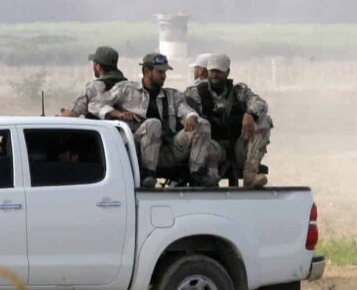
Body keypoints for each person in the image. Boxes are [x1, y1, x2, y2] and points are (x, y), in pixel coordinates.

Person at [129, 53, 221, 188]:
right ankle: (148, 175)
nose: (164, 76)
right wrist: (116, 113)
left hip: (169, 148)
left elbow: (185, 109)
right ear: (147, 71)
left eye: (165, 72)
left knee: (202, 124)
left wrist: (191, 116)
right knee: (153, 123)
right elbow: (97, 103)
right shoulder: (128, 91)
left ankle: (197, 174)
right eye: (160, 72)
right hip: (140, 150)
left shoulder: (172, 95)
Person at [194, 54, 272, 188]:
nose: (215, 75)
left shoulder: (238, 92)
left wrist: (250, 114)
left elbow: (260, 103)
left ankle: (250, 174)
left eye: (219, 71)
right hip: (213, 149)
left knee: (264, 121)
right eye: (212, 71)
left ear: (227, 72)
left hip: (238, 147)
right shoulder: (196, 93)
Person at [61, 46, 127, 117]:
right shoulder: (128, 87)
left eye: (94, 63)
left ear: (98, 67)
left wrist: (64, 114)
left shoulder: (92, 88)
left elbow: (72, 114)